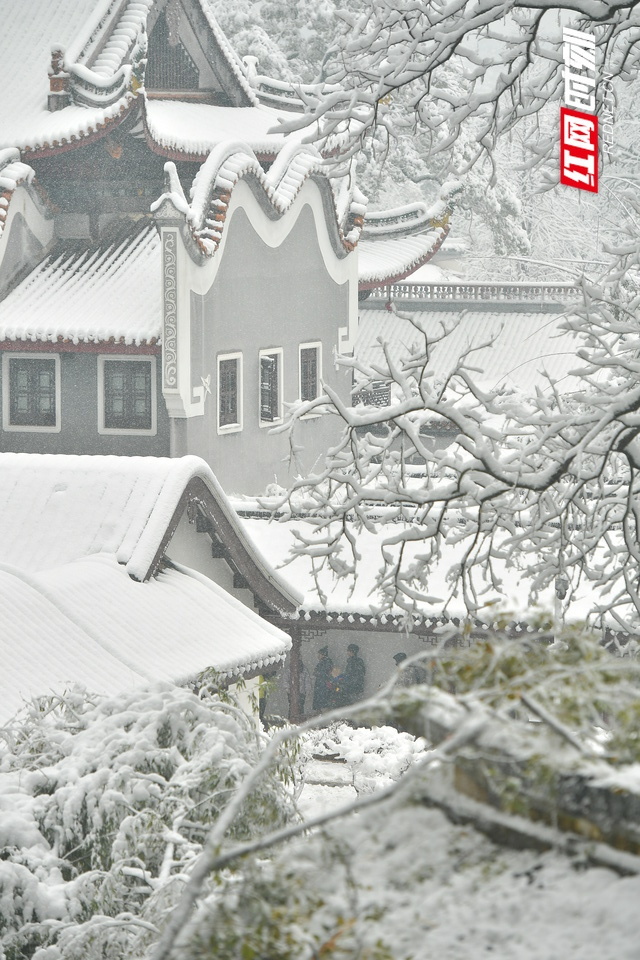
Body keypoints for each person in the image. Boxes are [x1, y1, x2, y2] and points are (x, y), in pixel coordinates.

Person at [312, 646, 333, 712]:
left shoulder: (325, 663)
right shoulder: (324, 662)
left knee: (322, 701)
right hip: (322, 684)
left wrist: (317, 673)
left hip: (323, 685)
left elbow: (324, 673)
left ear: (323, 655)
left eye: (319, 654)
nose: (318, 656)